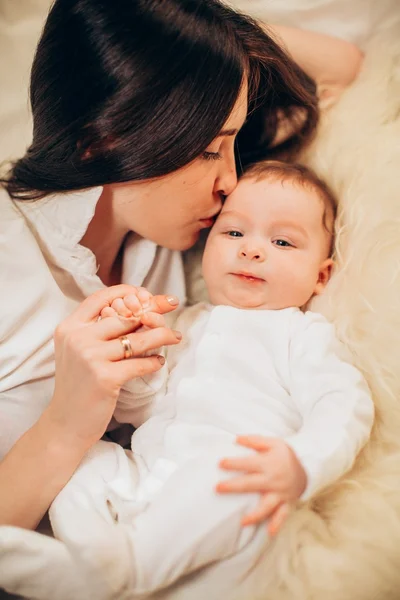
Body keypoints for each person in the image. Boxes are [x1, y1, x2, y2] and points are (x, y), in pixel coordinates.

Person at [0, 0, 364, 534]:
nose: (233, 183)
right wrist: (65, 423)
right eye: (211, 150)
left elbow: (345, 66)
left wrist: (194, 28)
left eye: (233, 143)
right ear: (107, 136)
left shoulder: (182, 242)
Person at [0, 162, 374, 600]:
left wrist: (303, 462)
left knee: (238, 487)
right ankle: (88, 546)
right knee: (89, 462)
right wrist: (135, 353)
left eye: (282, 241)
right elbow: (139, 410)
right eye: (234, 233)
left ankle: (124, 569)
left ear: (321, 276)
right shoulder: (185, 321)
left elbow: (343, 404)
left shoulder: (302, 336)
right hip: (150, 477)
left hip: (229, 480)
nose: (252, 250)